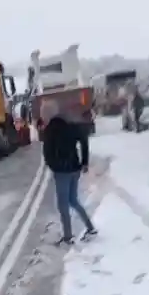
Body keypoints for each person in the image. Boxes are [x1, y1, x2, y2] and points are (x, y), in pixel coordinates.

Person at [41, 99, 97, 245]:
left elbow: (47, 152)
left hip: (62, 172)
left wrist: (53, 165)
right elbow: (84, 139)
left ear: (46, 115)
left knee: (63, 204)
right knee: (73, 200)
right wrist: (84, 161)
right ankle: (90, 228)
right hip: (75, 168)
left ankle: (68, 236)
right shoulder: (69, 125)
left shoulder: (49, 130)